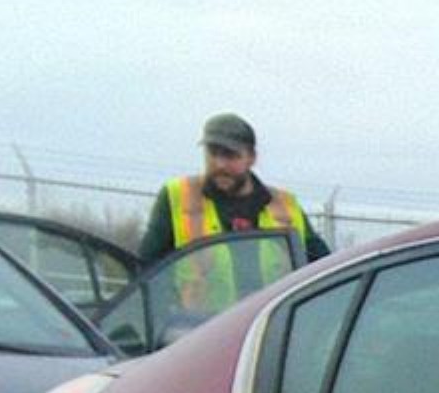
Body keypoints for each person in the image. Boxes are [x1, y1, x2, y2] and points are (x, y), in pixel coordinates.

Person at [140, 114, 326, 313]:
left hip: (271, 333)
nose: (219, 164)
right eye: (213, 153)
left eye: (230, 155)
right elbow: (146, 273)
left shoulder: (286, 206)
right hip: (197, 333)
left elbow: (323, 269)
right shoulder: (178, 197)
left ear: (251, 158)